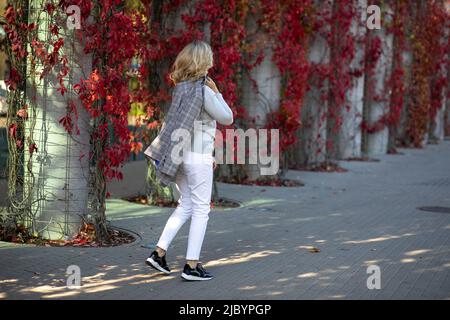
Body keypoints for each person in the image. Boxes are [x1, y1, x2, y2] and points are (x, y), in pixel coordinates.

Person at [144, 40, 233, 281]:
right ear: (204, 61)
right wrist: (218, 92)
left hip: (178, 155)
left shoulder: (182, 87)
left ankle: (159, 253)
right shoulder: (204, 90)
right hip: (197, 158)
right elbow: (227, 118)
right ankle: (191, 266)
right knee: (201, 209)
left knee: (186, 205)